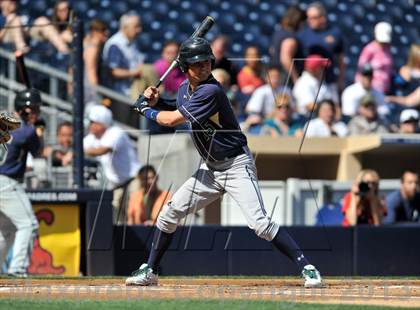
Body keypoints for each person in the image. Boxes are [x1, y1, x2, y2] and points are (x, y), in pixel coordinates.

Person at [126, 37, 322, 288]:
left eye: (206, 62)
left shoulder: (211, 90)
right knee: (168, 214)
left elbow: (171, 120)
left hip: (236, 165)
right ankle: (150, 270)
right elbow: (176, 106)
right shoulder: (186, 90)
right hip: (211, 169)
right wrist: (155, 102)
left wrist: (145, 109)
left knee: (260, 224)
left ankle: (307, 267)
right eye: (197, 64)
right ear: (185, 67)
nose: (204, 67)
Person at [0, 89, 43, 277]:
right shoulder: (25, 130)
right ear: (24, 109)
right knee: (28, 224)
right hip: (7, 182)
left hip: (3, 181)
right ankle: (17, 269)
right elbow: (39, 151)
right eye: (32, 109)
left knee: (6, 230)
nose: (35, 112)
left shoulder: (13, 126)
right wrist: (39, 130)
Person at [83, 105, 141, 224]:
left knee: (134, 212)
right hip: (116, 185)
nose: (90, 125)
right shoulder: (91, 138)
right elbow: (78, 148)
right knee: (116, 216)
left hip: (133, 180)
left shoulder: (116, 132)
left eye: (92, 122)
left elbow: (103, 150)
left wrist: (82, 151)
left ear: (101, 123)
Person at [102, 12, 157, 98]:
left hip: (134, 88)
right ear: (125, 27)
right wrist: (135, 72)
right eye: (136, 27)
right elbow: (114, 72)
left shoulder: (133, 41)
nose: (139, 30)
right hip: (121, 94)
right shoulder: (115, 44)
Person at [298, 2, 345, 92]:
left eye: (313, 18)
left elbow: (341, 59)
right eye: (309, 17)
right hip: (310, 82)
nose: (309, 20)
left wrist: (340, 80)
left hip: (329, 80)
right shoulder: (303, 35)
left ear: (322, 18)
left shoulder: (335, 33)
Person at [269, 5, 306, 83]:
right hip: (285, 80)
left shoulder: (278, 33)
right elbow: (285, 59)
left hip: (276, 77)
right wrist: (295, 79)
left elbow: (271, 51)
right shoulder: (290, 37)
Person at [356, 22, 393, 94]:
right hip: (371, 90)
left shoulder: (388, 49)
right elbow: (361, 68)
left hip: (384, 90)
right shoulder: (369, 49)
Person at [82, 19, 109, 103]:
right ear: (94, 32)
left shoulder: (89, 45)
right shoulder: (92, 48)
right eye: (102, 31)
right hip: (88, 90)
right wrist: (96, 94)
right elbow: (91, 71)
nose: (106, 33)